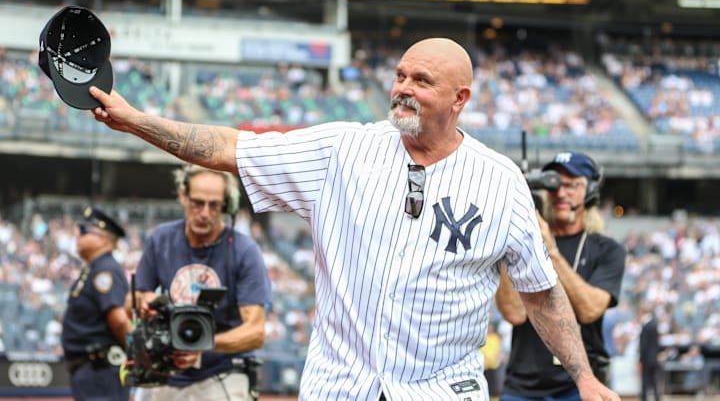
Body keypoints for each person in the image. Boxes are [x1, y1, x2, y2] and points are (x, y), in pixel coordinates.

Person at [89, 37, 620, 401]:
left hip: (439, 390)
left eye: (422, 80)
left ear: (460, 99)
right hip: (340, 386)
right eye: (400, 75)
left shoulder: (500, 181)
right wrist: (137, 122)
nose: (404, 87)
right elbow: (231, 147)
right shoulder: (344, 148)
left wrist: (584, 378)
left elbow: (541, 294)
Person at [129, 164, 270, 400]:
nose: (204, 213)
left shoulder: (245, 250)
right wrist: (147, 301)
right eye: (197, 202)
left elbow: (255, 332)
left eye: (214, 205)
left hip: (222, 371)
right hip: (167, 371)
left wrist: (203, 344)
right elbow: (138, 294)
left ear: (226, 205)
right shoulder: (161, 239)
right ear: (183, 196)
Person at [496, 151, 626, 401]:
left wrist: (551, 250)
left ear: (590, 191)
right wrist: (514, 236)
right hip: (523, 385)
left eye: (571, 185)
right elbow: (514, 313)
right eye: (554, 185)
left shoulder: (607, 249)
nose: (560, 193)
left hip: (580, 387)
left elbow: (590, 310)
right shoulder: (526, 240)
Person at [62, 206, 132, 401]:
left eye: (84, 231)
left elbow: (118, 320)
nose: (78, 236)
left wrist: (138, 355)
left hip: (101, 372)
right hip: (92, 371)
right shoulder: (94, 269)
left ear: (102, 238)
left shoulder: (105, 269)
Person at [639, 304, 661, 401]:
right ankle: (657, 398)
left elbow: (643, 345)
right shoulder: (654, 324)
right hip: (654, 357)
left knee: (645, 380)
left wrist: (640, 358)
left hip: (647, 358)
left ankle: (644, 398)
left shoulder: (646, 325)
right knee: (654, 381)